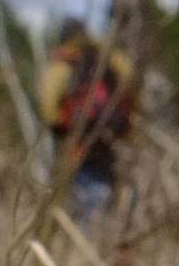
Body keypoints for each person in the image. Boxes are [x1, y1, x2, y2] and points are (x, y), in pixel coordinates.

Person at [38, 17, 135, 222]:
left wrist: (61, 129)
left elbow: (48, 106)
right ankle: (108, 235)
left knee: (85, 197)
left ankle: (88, 240)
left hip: (79, 142)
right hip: (112, 139)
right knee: (110, 194)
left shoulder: (63, 64)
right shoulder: (109, 59)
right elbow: (130, 80)